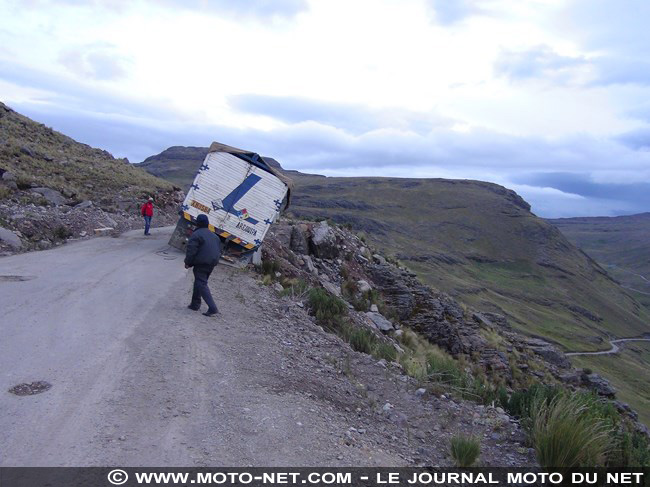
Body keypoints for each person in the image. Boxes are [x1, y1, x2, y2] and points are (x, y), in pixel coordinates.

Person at [185, 214, 222, 316]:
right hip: (212, 263)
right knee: (200, 282)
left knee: (201, 283)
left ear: (197, 223)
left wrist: (188, 262)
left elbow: (191, 251)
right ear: (208, 224)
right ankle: (195, 304)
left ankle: (213, 308)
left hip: (202, 263)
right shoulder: (215, 236)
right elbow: (219, 250)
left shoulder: (196, 235)